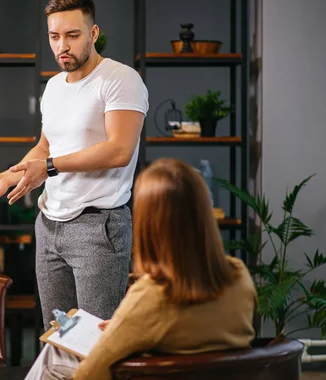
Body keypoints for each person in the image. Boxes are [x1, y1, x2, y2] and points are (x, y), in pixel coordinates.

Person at [0, 0, 149, 327]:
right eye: (54, 36)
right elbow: (45, 146)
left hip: (98, 225)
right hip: (49, 225)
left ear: (93, 34)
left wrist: (47, 168)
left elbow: (119, 150)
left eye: (72, 35)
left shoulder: (120, 79)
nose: (62, 45)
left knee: (95, 340)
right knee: (57, 336)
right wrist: (8, 176)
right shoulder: (54, 87)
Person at [24, 158, 258, 380]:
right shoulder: (239, 276)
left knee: (54, 354)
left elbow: (90, 374)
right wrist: (126, 326)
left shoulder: (150, 295)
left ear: (148, 225)